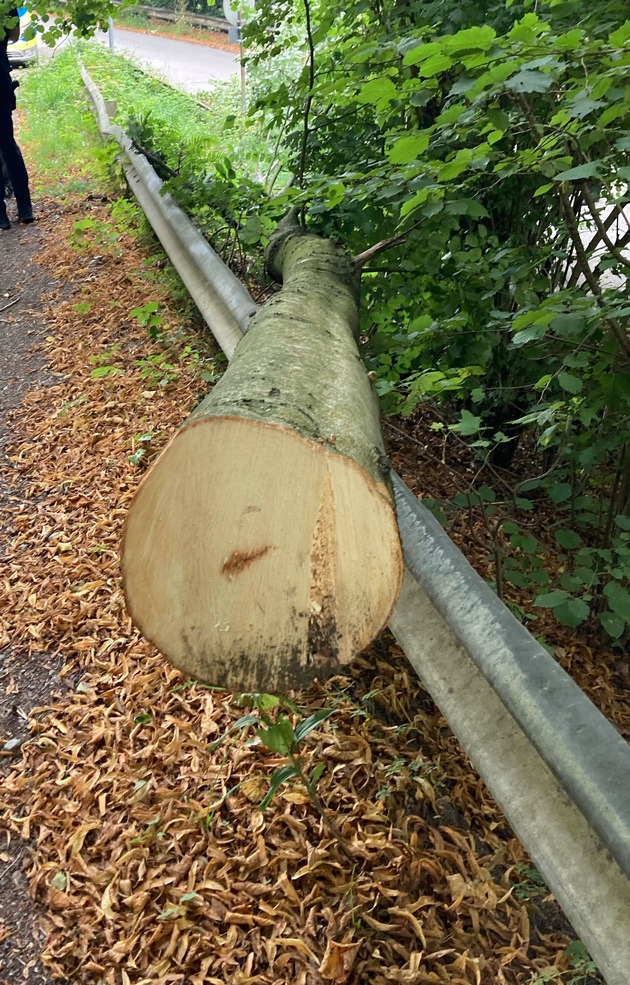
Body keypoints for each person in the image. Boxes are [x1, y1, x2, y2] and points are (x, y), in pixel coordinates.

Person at [0, 4, 33, 230]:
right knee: (8, 146)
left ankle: (1, 215)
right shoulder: (6, 5)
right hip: (0, 82)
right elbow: (14, 35)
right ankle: (24, 207)